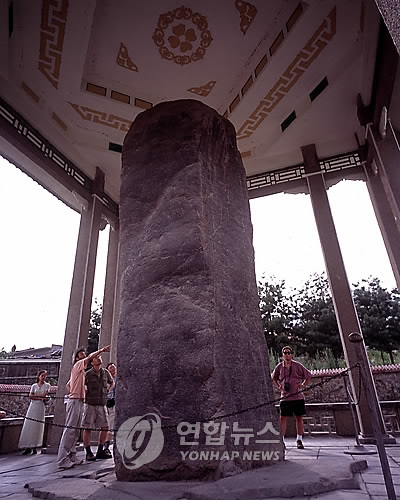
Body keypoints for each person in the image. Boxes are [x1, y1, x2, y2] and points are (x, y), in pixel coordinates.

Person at [57, 344, 110, 469]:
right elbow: (90, 357)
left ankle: (72, 455)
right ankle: (62, 459)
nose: (84, 356)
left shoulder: (81, 372)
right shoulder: (77, 365)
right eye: (81, 354)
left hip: (80, 401)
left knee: (75, 431)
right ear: (76, 358)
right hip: (75, 401)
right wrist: (102, 350)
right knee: (70, 430)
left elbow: (68, 384)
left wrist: (80, 391)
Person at [272, 346, 311, 449]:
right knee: (282, 418)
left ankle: (299, 439)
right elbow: (274, 378)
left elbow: (308, 375)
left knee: (299, 418)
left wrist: (303, 385)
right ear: (282, 355)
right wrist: (279, 386)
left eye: (289, 352)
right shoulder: (279, 367)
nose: (287, 354)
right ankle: (281, 440)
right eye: (285, 353)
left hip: (297, 396)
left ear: (292, 354)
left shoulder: (298, 365)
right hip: (285, 397)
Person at [82, 355, 114, 461]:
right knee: (87, 427)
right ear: (92, 362)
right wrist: (84, 391)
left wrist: (108, 390)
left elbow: (112, 382)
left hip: (102, 403)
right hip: (90, 403)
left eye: (99, 357)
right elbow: (82, 384)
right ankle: (88, 452)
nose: (99, 358)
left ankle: (100, 450)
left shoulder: (105, 372)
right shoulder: (88, 374)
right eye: (96, 358)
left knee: (105, 427)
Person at [19, 370, 50, 455]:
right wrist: (40, 397)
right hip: (33, 406)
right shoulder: (34, 386)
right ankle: (27, 446)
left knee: (38, 426)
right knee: (30, 424)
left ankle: (35, 446)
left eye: (45, 376)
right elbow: (31, 396)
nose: (43, 377)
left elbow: (45, 395)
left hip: (40, 407)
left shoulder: (47, 385)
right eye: (42, 376)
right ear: (39, 376)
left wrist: (37, 396)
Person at [104, 362, 116, 454]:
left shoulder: (118, 379)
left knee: (111, 426)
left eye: (113, 367)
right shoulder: (105, 380)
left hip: (114, 403)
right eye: (110, 368)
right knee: (106, 425)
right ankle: (105, 446)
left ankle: (106, 446)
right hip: (106, 403)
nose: (112, 369)